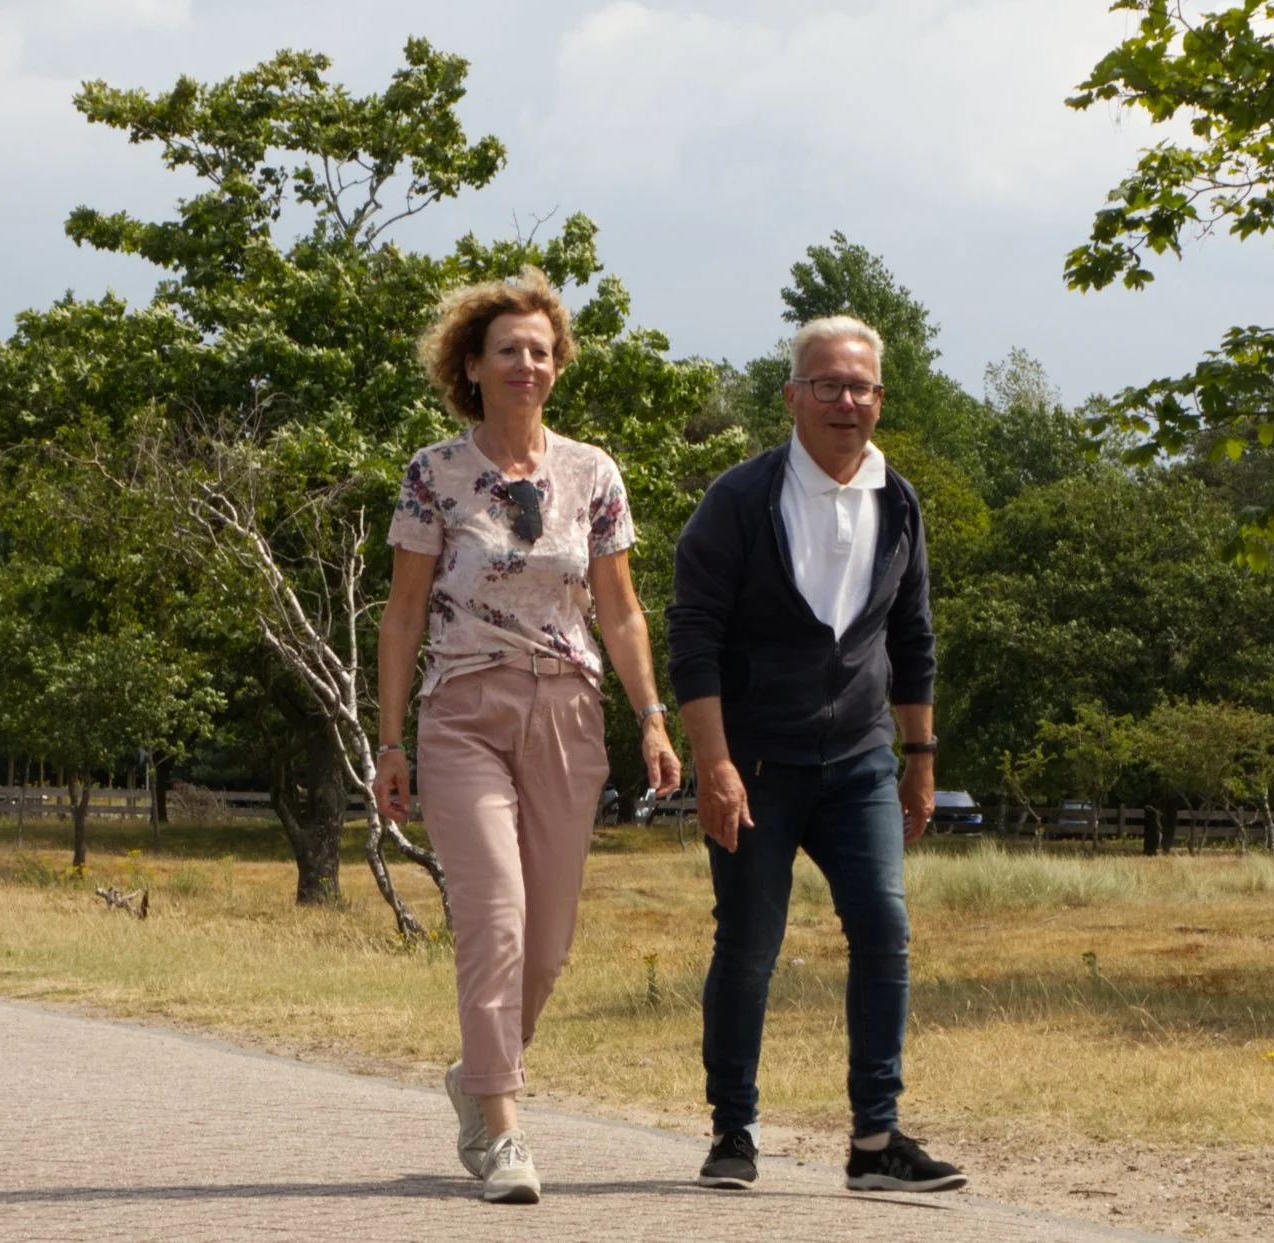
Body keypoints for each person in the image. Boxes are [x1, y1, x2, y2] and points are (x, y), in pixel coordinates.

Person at [374, 267, 682, 1205]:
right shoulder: (435, 472)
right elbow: (402, 612)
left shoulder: (593, 472)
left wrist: (653, 719)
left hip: (569, 714)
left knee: (545, 946)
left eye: (542, 350)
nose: (527, 362)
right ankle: (502, 1130)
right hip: (464, 709)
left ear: (558, 367)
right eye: (508, 349)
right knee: (495, 918)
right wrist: (392, 743)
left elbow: (622, 613)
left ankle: (475, 1073)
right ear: (471, 365)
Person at [666, 314, 968, 1194]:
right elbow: (694, 638)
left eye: (862, 387)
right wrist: (714, 764)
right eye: (829, 384)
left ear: (880, 398)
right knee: (750, 944)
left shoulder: (897, 499)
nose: (847, 401)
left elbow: (913, 638)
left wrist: (920, 756)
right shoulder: (739, 499)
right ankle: (733, 1131)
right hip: (756, 764)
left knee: (884, 927)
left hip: (861, 759)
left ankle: (876, 1143)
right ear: (793, 395)